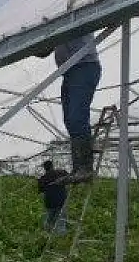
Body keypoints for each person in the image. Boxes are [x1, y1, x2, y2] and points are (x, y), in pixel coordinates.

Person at [34, 32, 102, 184]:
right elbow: (44, 50)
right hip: (70, 70)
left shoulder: (72, 10)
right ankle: (79, 168)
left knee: (76, 117)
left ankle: (85, 168)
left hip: (84, 65)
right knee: (71, 120)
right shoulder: (57, 26)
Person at [37, 160, 68, 234]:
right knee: (61, 222)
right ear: (52, 166)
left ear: (45, 168)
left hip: (49, 203)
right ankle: (60, 239)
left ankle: (46, 236)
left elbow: (41, 191)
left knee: (49, 220)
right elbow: (68, 177)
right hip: (61, 202)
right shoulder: (61, 173)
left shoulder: (42, 178)